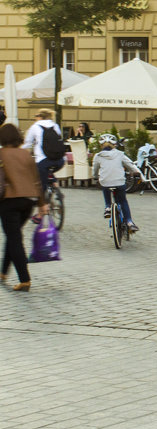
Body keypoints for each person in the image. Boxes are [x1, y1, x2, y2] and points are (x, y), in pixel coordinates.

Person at [0, 123, 49, 292]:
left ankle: (24, 279)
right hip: (28, 201)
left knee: (14, 238)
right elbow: (37, 180)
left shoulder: (1, 154)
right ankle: (3, 272)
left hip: (9, 201)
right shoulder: (26, 154)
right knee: (13, 235)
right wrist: (42, 203)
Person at [91, 134, 144, 233]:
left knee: (104, 184)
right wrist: (139, 174)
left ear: (101, 145)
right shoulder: (120, 154)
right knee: (123, 201)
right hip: (119, 182)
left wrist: (95, 177)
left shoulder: (98, 156)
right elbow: (130, 165)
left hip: (105, 182)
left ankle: (107, 207)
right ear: (114, 145)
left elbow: (94, 170)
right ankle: (129, 222)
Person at [22, 108, 64, 191]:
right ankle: (54, 182)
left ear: (40, 117)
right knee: (48, 172)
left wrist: (19, 149)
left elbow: (28, 143)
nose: (36, 118)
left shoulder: (35, 126)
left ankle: (43, 201)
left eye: (36, 116)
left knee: (40, 181)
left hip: (43, 161)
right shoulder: (55, 125)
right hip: (60, 161)